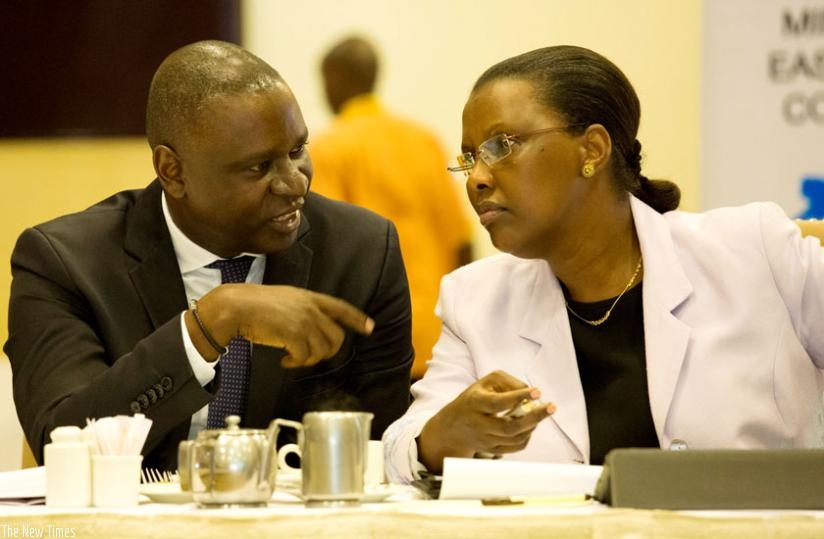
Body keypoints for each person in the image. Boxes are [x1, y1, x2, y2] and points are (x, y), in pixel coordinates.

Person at [383, 45, 824, 482]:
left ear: (592, 149)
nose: (477, 177)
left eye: (501, 146)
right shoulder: (475, 298)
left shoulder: (753, 252)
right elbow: (402, 450)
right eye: (470, 157)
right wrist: (449, 432)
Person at [6, 40, 414, 471]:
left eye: (296, 151)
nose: (295, 184)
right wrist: (210, 322)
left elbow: (382, 454)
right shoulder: (66, 263)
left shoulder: (362, 251)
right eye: (259, 167)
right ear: (172, 171)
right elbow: (63, 442)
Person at [310, 36, 474, 380]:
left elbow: (327, 252)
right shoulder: (423, 140)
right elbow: (462, 241)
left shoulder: (330, 148)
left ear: (335, 78)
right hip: (440, 335)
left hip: (375, 338)